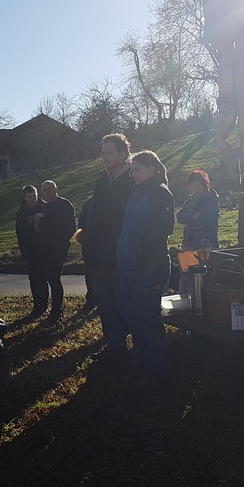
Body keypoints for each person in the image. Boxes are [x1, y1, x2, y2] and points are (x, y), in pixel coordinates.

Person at [117, 150, 175, 370]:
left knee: (147, 317)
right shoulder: (135, 193)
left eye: (137, 169)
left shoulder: (161, 194)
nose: (132, 174)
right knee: (132, 316)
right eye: (132, 169)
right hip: (127, 264)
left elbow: (162, 231)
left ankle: (154, 367)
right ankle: (139, 359)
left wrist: (141, 253)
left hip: (148, 267)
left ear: (152, 169)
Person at [82, 133, 135, 358]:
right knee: (104, 299)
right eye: (103, 152)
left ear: (123, 155)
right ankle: (114, 345)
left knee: (122, 300)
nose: (104, 156)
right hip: (97, 252)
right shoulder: (102, 181)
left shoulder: (132, 181)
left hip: (120, 251)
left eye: (109, 152)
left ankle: (133, 345)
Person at [36, 180, 76, 324]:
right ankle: (50, 308)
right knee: (49, 277)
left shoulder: (64, 204)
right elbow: (43, 228)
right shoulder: (44, 207)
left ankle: (57, 311)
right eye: (44, 190)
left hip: (58, 246)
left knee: (54, 277)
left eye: (49, 189)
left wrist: (58, 241)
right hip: (46, 246)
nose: (46, 192)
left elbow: (70, 227)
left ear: (56, 190)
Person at [14, 185, 47, 316]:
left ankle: (44, 304)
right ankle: (37, 304)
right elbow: (19, 233)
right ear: (24, 198)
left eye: (34, 196)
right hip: (29, 250)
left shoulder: (44, 208)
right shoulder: (21, 213)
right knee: (33, 278)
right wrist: (24, 251)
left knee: (43, 278)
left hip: (43, 249)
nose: (33, 199)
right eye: (29, 197)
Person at [177, 169, 220, 250]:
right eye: (192, 186)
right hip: (189, 242)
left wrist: (188, 223)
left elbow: (204, 220)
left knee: (207, 259)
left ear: (204, 185)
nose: (194, 189)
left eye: (197, 186)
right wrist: (193, 216)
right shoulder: (190, 200)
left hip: (206, 242)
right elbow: (179, 217)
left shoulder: (210, 200)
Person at [74, 197, 95, 314]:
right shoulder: (89, 203)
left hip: (107, 246)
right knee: (89, 275)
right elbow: (82, 223)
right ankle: (90, 300)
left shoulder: (113, 201)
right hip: (89, 245)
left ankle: (102, 302)